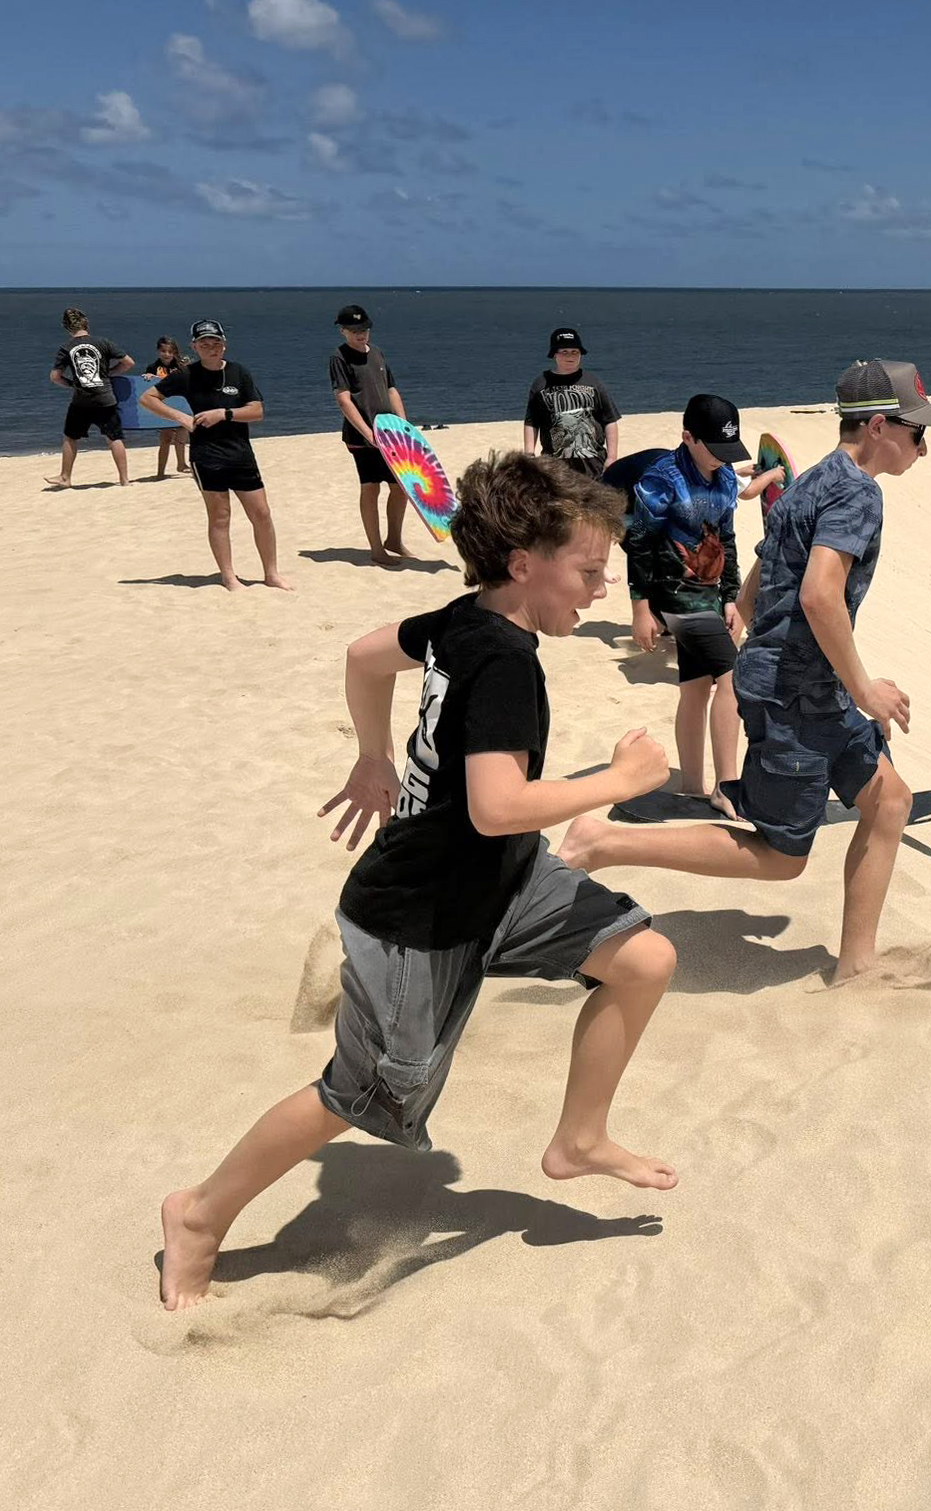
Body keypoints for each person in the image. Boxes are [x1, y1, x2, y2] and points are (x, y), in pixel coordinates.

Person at [157, 452, 680, 1311]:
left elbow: (365, 655)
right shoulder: (505, 660)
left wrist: (374, 754)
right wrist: (618, 784)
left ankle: (580, 1138)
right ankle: (199, 1214)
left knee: (642, 956)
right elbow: (497, 804)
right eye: (588, 570)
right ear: (523, 564)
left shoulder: (463, 617)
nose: (597, 589)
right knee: (359, 1097)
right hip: (419, 918)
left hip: (502, 884)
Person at [560, 359, 931, 982]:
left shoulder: (810, 481)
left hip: (807, 686)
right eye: (917, 432)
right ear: (879, 425)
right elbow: (820, 595)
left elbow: (772, 556)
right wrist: (866, 689)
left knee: (890, 803)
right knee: (779, 856)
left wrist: (741, 612)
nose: (924, 447)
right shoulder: (858, 493)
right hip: (797, 694)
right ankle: (603, 843)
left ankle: (857, 967)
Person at [602, 395, 783, 818]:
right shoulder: (661, 479)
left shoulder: (721, 479)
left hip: (706, 592)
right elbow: (641, 546)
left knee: (697, 687)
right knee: (732, 677)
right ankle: (725, 787)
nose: (722, 459)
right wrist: (640, 609)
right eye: (715, 450)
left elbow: (730, 541)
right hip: (670, 593)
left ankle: (692, 785)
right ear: (688, 437)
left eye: (728, 451)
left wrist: (731, 597)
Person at [140, 319, 293, 592]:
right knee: (220, 516)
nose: (211, 348)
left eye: (216, 342)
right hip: (206, 455)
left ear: (224, 344)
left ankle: (271, 574)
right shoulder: (186, 374)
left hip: (240, 452)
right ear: (194, 346)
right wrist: (181, 418)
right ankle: (229, 576)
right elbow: (148, 398)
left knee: (261, 513)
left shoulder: (239, 373)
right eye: (204, 343)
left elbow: (257, 411)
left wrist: (225, 414)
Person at [329, 303, 415, 566]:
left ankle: (394, 540)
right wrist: (368, 434)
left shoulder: (377, 353)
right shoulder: (339, 357)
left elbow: (391, 390)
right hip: (361, 437)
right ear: (343, 330)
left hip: (390, 434)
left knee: (401, 488)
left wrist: (405, 426)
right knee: (370, 488)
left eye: (364, 328)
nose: (361, 334)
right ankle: (376, 548)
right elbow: (343, 400)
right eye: (354, 330)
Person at [46, 307, 133, 488]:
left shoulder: (66, 348)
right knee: (114, 438)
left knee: (70, 437)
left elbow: (55, 377)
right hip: (105, 398)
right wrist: (110, 373)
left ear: (67, 328)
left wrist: (71, 384)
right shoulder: (103, 342)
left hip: (81, 400)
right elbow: (128, 363)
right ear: (87, 324)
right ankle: (124, 480)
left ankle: (65, 477)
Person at [523, 327, 621, 477]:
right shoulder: (541, 383)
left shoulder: (593, 382)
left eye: (575, 351)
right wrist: (529, 453)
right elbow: (532, 422)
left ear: (581, 354)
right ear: (554, 354)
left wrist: (612, 457)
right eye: (564, 352)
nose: (570, 356)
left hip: (593, 465)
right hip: (555, 467)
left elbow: (610, 420)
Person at [144, 336, 192, 480]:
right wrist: (148, 376)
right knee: (165, 439)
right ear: (159, 351)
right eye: (163, 351)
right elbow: (148, 387)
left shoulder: (180, 366)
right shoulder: (153, 367)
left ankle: (182, 464)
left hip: (182, 406)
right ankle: (160, 471)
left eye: (170, 351)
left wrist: (186, 366)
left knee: (182, 437)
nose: (167, 354)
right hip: (165, 408)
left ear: (174, 352)